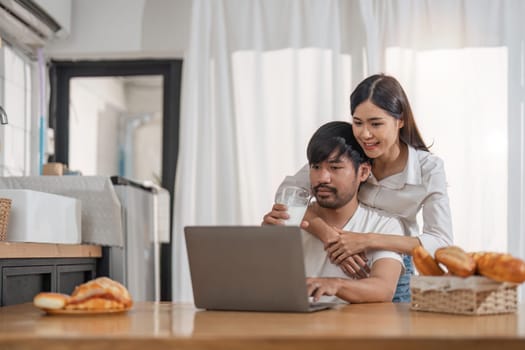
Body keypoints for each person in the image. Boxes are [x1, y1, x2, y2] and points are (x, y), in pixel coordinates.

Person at [263, 74, 453, 302]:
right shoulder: (352, 152)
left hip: (390, 259)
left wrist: (366, 240)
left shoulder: (427, 168)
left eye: (376, 123)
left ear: (399, 120)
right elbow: (290, 197)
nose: (364, 134)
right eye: (358, 122)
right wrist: (330, 237)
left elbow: (440, 241)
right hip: (336, 249)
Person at [300, 121, 404, 303]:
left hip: (354, 329)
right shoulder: (292, 218)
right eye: (316, 167)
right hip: (292, 327)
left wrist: (335, 285)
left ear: (363, 172)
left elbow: (383, 288)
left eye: (335, 167)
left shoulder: (384, 225)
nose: (322, 178)